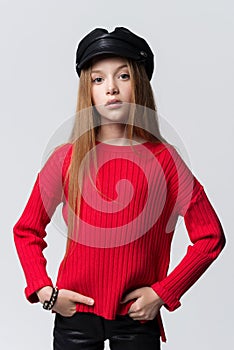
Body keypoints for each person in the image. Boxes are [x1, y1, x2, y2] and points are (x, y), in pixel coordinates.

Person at [13, 27, 226, 350]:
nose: (111, 88)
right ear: (88, 90)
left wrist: (162, 293)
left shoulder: (165, 160)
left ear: (139, 83)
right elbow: (26, 230)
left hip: (137, 318)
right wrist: (45, 291)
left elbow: (210, 236)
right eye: (98, 80)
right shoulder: (66, 159)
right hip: (75, 317)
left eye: (123, 76)